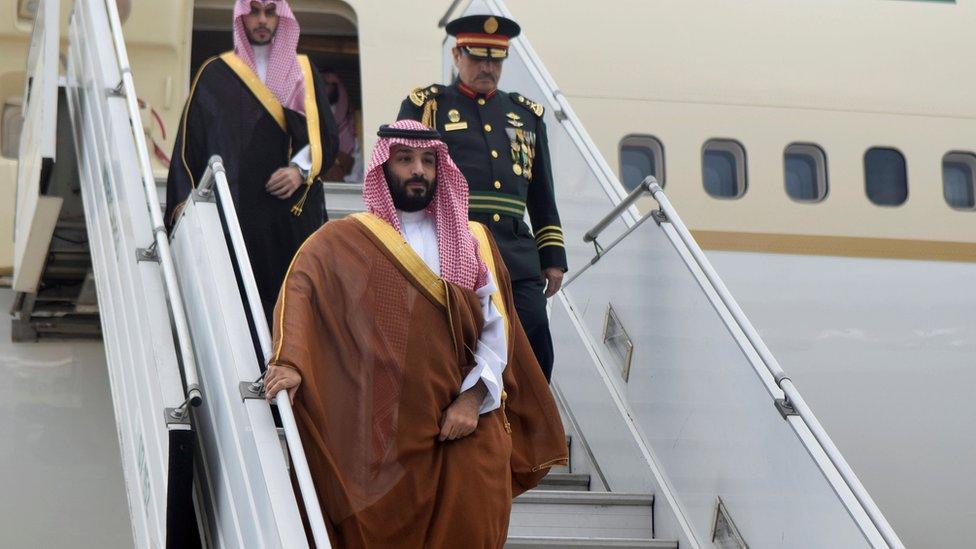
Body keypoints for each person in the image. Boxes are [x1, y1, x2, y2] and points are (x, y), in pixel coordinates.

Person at [263, 120, 567, 548]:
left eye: (427, 161)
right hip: (388, 426)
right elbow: (301, 287)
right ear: (385, 166)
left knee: (476, 518)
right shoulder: (348, 238)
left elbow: (498, 331)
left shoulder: (474, 239)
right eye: (405, 159)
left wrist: (471, 399)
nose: (418, 170)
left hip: (465, 418)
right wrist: (290, 360)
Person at [397, 14, 566, 381]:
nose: (488, 67)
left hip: (515, 250)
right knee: (461, 340)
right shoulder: (430, 106)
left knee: (533, 329)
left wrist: (553, 257)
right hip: (456, 242)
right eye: (477, 57)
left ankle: (530, 421)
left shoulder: (525, 114)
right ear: (458, 56)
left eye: (496, 59)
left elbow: (541, 194)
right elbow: (403, 175)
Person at [165, 0, 339, 323]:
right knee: (237, 307)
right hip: (235, 215)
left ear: (280, 16)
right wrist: (181, 202)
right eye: (254, 11)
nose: (262, 20)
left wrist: (299, 171)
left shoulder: (301, 71)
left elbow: (325, 137)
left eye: (270, 12)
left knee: (294, 307)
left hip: (288, 215)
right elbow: (190, 145)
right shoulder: (215, 73)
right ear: (241, 16)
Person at [320, 69, 362, 182]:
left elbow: (358, 154)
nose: (322, 89)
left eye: (325, 84)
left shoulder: (352, 120)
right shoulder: (313, 115)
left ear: (335, 87)